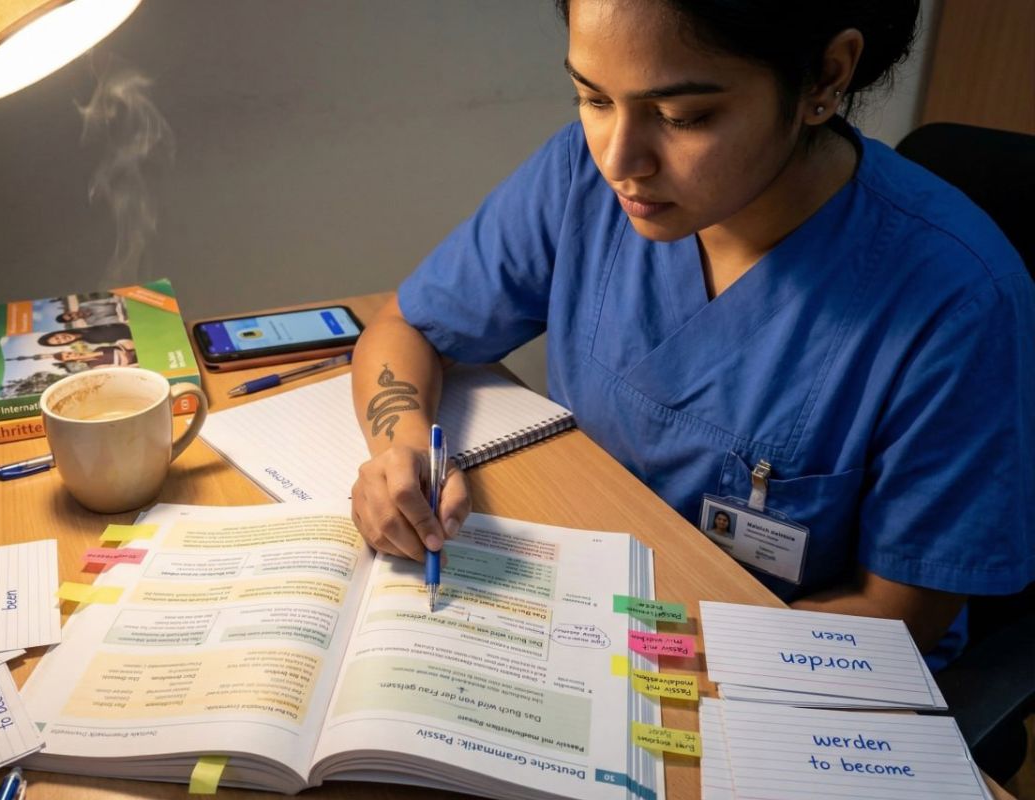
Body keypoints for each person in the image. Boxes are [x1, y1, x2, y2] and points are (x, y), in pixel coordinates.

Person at [348, 0, 1035, 663]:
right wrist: (404, 449)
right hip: (593, 601)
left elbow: (898, 619)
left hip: (789, 673)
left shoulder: (957, 301)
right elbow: (412, 324)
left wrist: (629, 651)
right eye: (592, 98)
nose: (620, 160)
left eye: (682, 116)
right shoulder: (583, 180)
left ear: (825, 78)